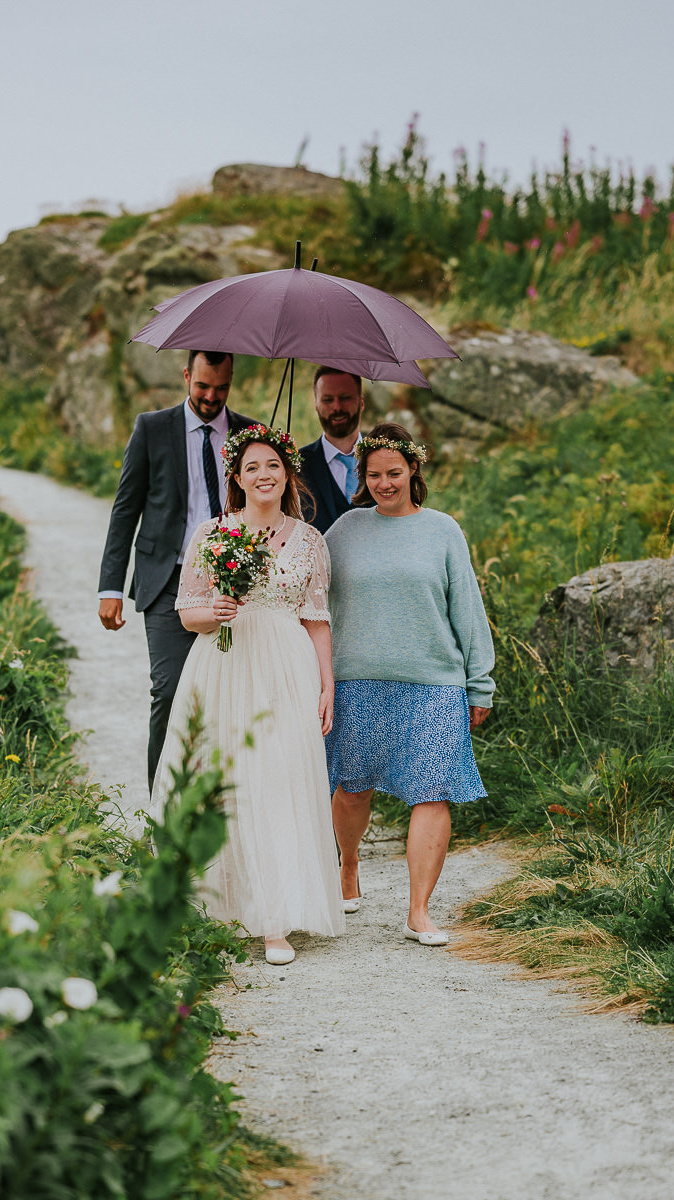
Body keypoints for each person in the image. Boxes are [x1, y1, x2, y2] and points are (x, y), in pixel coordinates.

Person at [150, 424, 345, 965]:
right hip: (225, 665)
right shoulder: (213, 534)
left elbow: (317, 619)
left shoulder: (310, 541)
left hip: (287, 667)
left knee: (280, 778)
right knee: (230, 780)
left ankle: (275, 917)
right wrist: (212, 613)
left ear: (288, 474)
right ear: (236, 477)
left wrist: (327, 684)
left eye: (274, 466)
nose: (264, 475)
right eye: (252, 467)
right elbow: (186, 610)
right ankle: (227, 905)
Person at [324, 421, 494, 946]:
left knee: (433, 793)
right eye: (373, 474)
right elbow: (309, 598)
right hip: (357, 681)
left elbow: (466, 606)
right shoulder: (344, 531)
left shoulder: (443, 530)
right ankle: (347, 867)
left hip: (433, 682)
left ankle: (419, 910)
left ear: (413, 469)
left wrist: (479, 681)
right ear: (362, 475)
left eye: (393, 473)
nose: (384, 483)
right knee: (352, 790)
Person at [97, 351, 255, 792]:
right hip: (168, 583)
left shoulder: (250, 434)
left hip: (231, 586)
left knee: (229, 702)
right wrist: (110, 585)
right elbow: (125, 508)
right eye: (202, 386)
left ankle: (218, 817)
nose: (210, 397)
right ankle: (163, 821)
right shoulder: (152, 428)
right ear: (187, 375)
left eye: (220, 388)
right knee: (169, 694)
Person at [299, 367, 366, 533]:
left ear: (361, 402)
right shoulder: (295, 466)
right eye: (328, 400)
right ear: (316, 405)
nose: (337, 407)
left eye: (345, 398)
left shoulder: (385, 459)